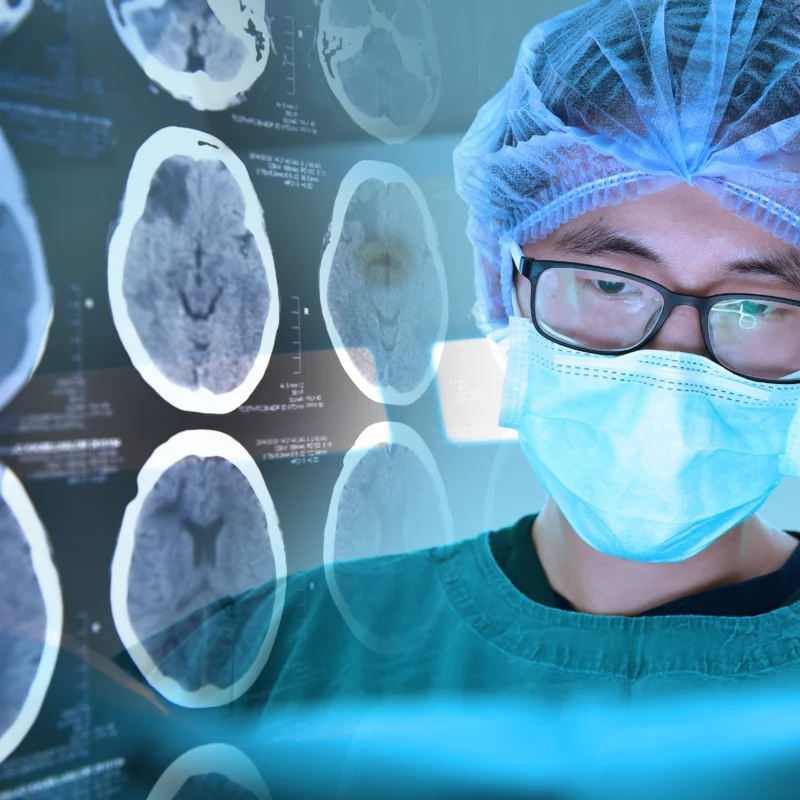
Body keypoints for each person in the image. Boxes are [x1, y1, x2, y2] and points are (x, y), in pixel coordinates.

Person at [120, 0, 800, 722]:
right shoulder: (258, 663)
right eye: (608, 283)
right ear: (499, 284)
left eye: (757, 305)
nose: (673, 370)